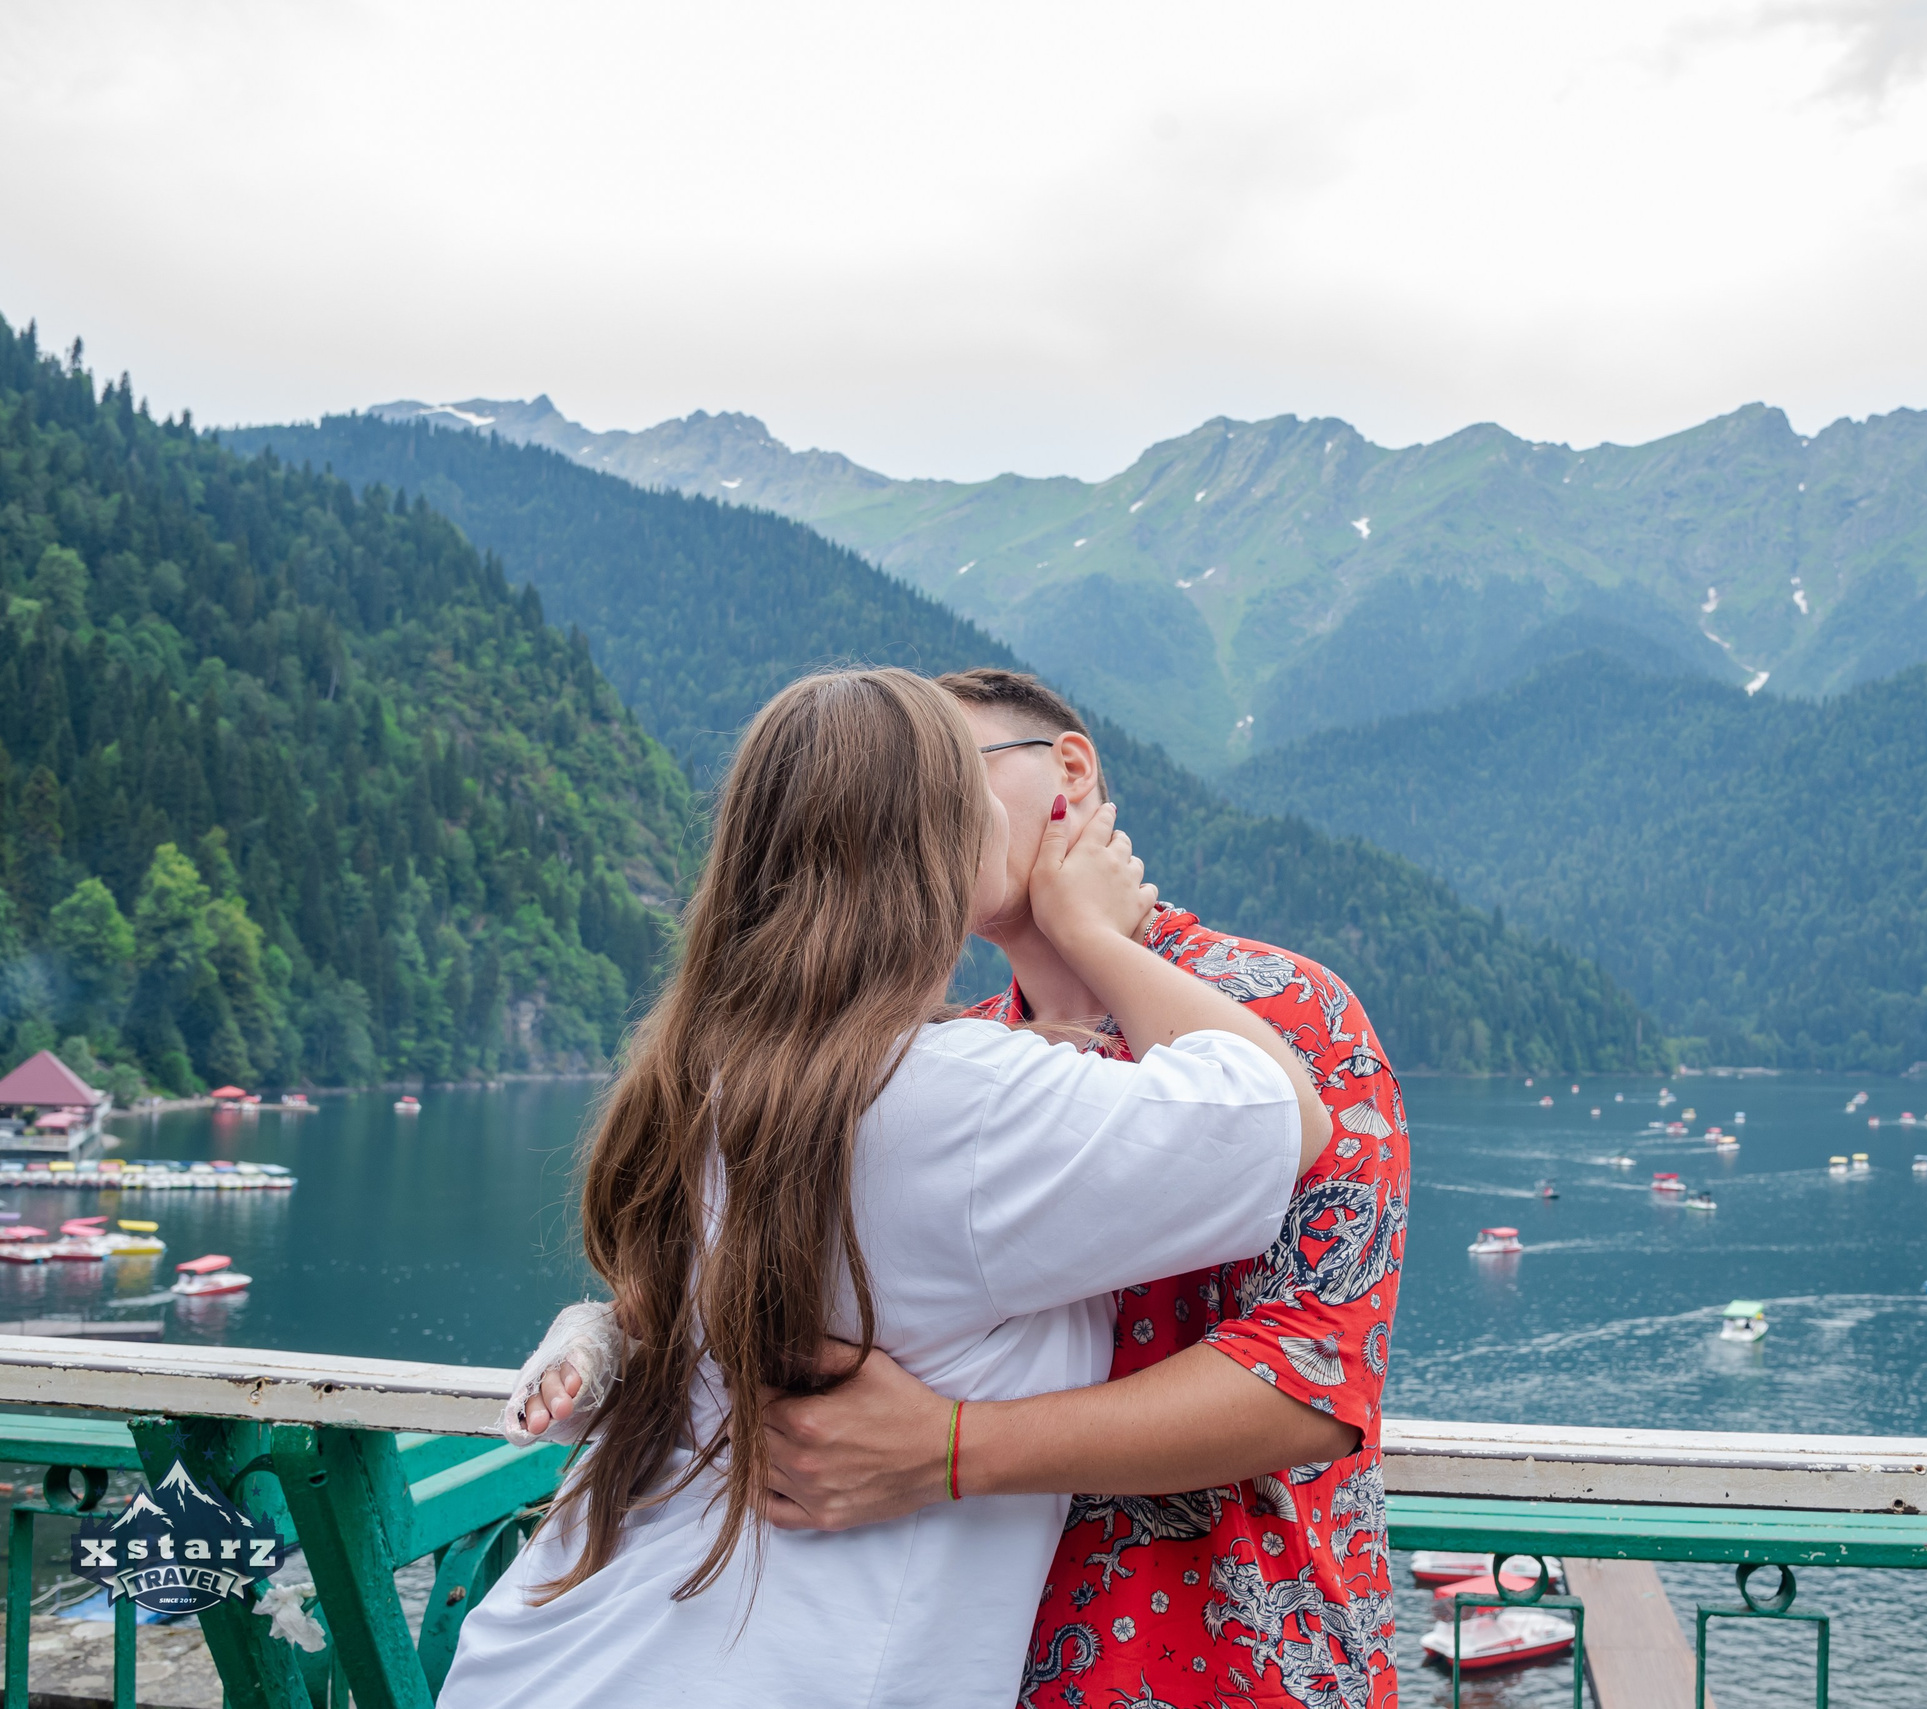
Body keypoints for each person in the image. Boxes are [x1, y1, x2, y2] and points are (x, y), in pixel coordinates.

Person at [512, 668, 1413, 1708]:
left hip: (1224, 1648)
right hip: (968, 1656)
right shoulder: (945, 1063)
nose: (932, 805)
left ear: (1067, 772)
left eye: (960, 769)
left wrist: (944, 1448)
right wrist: (618, 1329)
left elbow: (1307, 1380)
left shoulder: (1288, 1012)